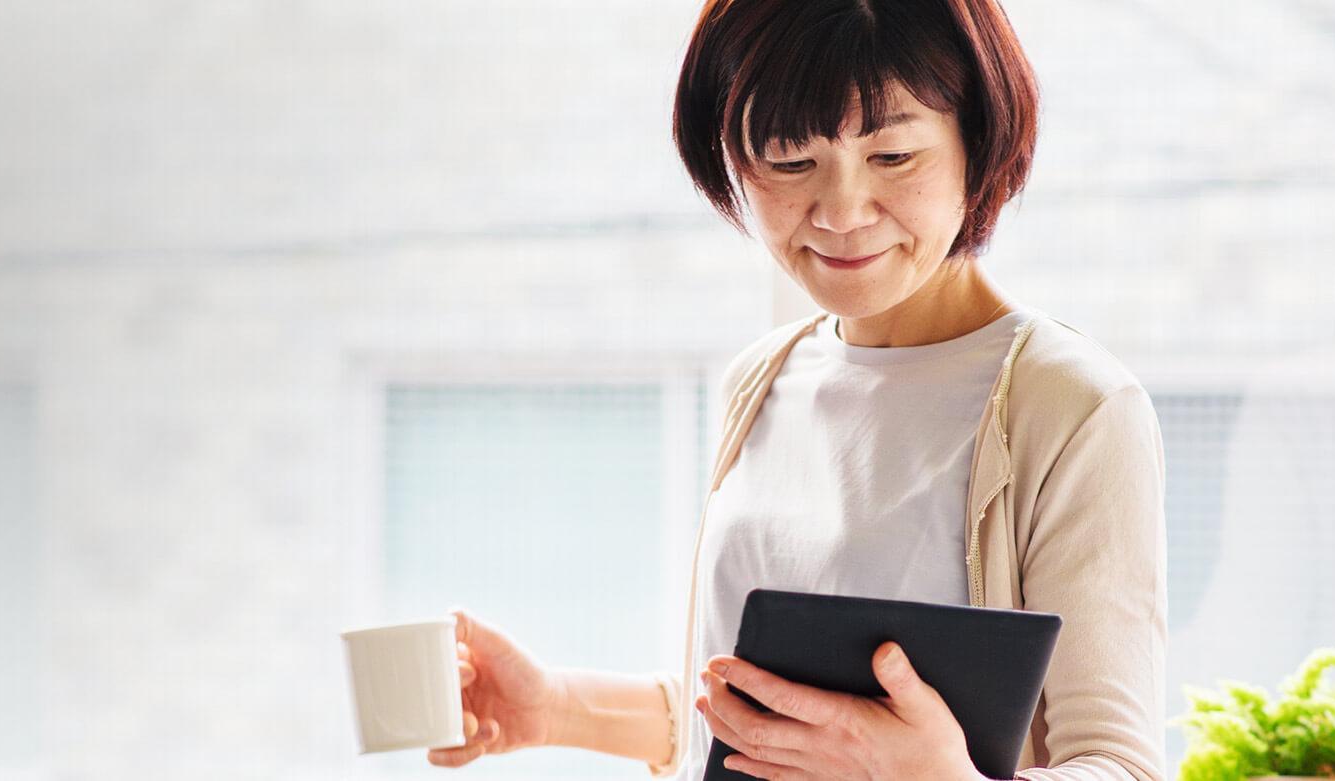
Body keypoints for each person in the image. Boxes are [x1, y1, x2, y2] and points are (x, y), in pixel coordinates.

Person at [430, 1, 1166, 779]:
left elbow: (1119, 763)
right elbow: (771, 718)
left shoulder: (1072, 408)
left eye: (893, 157)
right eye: (788, 160)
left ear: (976, 142)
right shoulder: (762, 378)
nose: (843, 212)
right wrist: (554, 706)